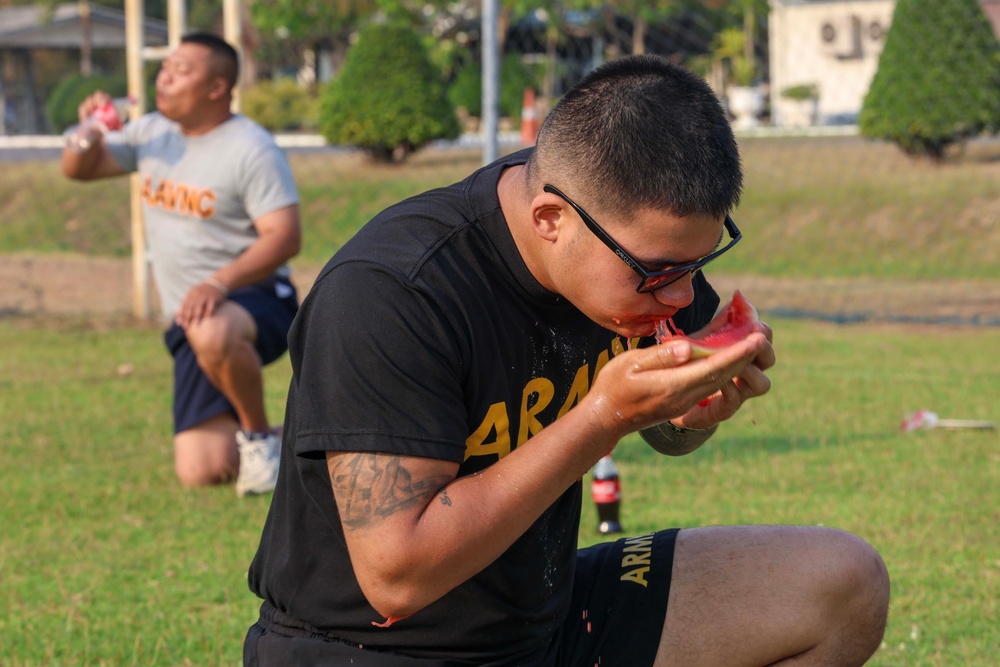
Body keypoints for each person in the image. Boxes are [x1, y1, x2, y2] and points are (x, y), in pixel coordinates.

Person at [244, 55, 889, 665]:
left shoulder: (623, 240)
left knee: (844, 583)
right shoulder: (393, 292)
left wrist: (690, 416)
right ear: (552, 218)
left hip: (549, 624)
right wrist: (602, 418)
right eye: (657, 271)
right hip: (374, 649)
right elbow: (397, 576)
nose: (682, 295)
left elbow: (667, 433)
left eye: (699, 263)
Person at [61, 33, 302, 497]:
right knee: (203, 469)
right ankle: (293, 443)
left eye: (181, 70)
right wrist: (89, 130)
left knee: (210, 328)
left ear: (216, 87)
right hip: (192, 317)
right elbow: (78, 169)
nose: (165, 77)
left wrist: (217, 282)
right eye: (165, 67)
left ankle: (257, 441)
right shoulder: (152, 132)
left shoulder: (251, 148)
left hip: (256, 299)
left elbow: (285, 237)